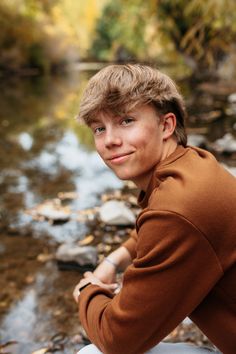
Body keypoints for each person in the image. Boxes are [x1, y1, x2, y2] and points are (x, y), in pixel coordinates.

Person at [73, 64, 236, 354]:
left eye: (126, 121)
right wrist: (115, 260)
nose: (110, 140)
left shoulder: (179, 207)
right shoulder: (193, 164)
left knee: (91, 353)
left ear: (166, 125)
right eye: (99, 128)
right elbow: (157, 228)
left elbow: (118, 340)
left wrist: (88, 291)